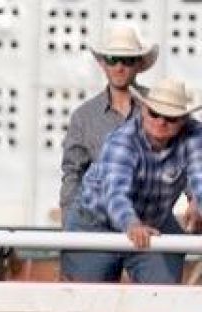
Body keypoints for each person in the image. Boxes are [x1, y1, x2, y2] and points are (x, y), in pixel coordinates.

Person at [61, 76, 202, 312]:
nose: (161, 122)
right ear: (143, 110)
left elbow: (200, 176)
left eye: (170, 118)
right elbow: (115, 194)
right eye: (155, 113)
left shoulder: (195, 136)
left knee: (165, 305)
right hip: (96, 223)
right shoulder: (122, 140)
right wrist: (131, 224)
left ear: (183, 120)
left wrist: (198, 202)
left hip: (152, 224)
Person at [60, 23, 156, 218]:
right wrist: (69, 223)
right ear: (102, 64)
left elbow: (187, 155)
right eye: (112, 59)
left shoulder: (159, 108)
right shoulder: (84, 117)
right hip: (99, 222)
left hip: (152, 220)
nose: (119, 67)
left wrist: (195, 201)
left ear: (138, 64)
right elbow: (72, 173)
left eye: (127, 60)